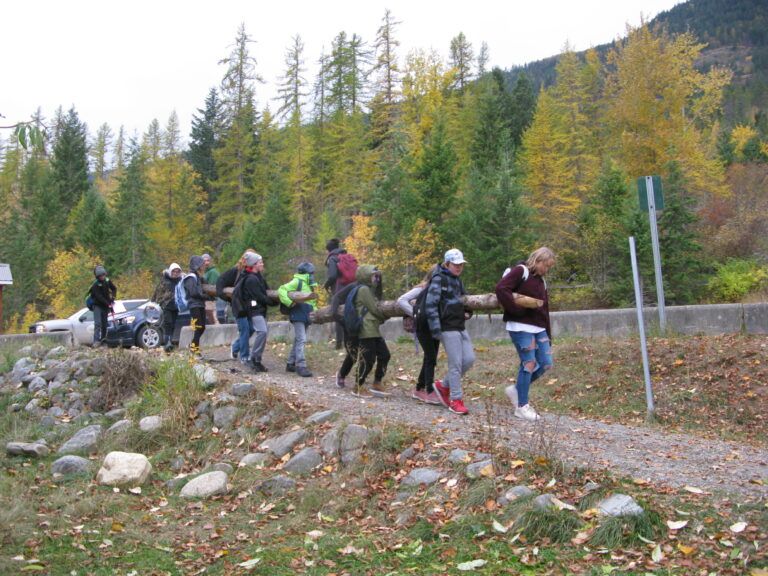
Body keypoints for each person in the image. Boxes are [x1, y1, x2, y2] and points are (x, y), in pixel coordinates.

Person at [495, 247, 556, 421]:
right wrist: (516, 310)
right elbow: (501, 289)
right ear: (538, 260)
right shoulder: (520, 271)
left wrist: (548, 335)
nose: (547, 270)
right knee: (528, 363)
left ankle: (517, 390)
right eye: (546, 265)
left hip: (539, 328)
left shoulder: (542, 282)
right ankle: (522, 407)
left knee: (546, 363)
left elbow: (545, 309)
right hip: (520, 327)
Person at [426, 249, 475, 415]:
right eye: (456, 264)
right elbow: (431, 305)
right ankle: (456, 399)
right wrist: (436, 329)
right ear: (447, 263)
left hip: (460, 326)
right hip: (446, 327)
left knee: (468, 359)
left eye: (461, 264)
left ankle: (442, 385)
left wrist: (468, 311)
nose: (459, 267)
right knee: (455, 364)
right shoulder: (438, 279)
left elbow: (464, 299)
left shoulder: (458, 280)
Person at [397, 265, 442, 405]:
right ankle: (429, 390)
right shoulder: (421, 289)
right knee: (430, 357)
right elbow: (401, 300)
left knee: (431, 357)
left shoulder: (441, 290)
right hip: (423, 327)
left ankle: (418, 388)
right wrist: (417, 314)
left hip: (435, 327)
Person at [351, 264, 391, 398]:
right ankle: (358, 386)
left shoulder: (369, 289)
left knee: (385, 355)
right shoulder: (363, 290)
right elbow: (374, 309)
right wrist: (385, 316)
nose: (376, 278)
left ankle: (377, 382)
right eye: (374, 276)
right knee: (368, 359)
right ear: (366, 276)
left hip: (373, 328)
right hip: (366, 328)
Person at [278, 262, 318, 378]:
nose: (312, 275)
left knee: (298, 339)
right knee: (302, 339)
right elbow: (282, 290)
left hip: (306, 314)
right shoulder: (297, 281)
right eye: (311, 273)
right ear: (305, 273)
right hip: (298, 314)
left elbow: (311, 301)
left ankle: (290, 363)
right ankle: (301, 365)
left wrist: (314, 312)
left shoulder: (310, 284)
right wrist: (289, 302)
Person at [240, 253, 274, 372]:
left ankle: (257, 360)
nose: (262, 264)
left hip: (260, 310)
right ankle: (253, 358)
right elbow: (259, 296)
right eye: (260, 262)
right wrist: (272, 302)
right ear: (254, 264)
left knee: (264, 333)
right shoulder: (251, 279)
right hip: (254, 310)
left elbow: (267, 290)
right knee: (262, 332)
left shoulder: (258, 276)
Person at [221, 249, 256, 358]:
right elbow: (221, 280)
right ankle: (245, 356)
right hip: (238, 306)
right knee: (245, 330)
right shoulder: (236, 271)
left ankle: (235, 347)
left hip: (248, 306)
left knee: (251, 329)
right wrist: (224, 296)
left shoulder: (254, 272)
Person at [330, 280, 359, 389]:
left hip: (365, 324)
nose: (376, 279)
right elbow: (337, 297)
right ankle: (342, 374)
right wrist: (335, 314)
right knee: (353, 352)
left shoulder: (374, 287)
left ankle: (362, 380)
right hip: (350, 323)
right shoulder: (354, 286)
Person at [152, 262, 182, 352]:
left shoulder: (180, 281)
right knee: (168, 323)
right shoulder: (165, 280)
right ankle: (166, 343)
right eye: (174, 271)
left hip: (175, 306)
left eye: (177, 272)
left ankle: (170, 342)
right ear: (170, 271)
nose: (175, 273)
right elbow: (157, 293)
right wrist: (153, 303)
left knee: (173, 324)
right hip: (166, 306)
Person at [324, 238, 347, 349]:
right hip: (351, 288)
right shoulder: (346, 256)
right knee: (349, 312)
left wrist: (327, 284)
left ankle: (339, 343)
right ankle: (351, 341)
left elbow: (332, 276)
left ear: (328, 250)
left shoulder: (332, 258)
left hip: (339, 290)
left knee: (337, 313)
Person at [185, 255, 210, 355]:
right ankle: (194, 349)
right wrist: (205, 297)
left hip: (200, 305)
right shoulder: (190, 277)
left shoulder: (198, 276)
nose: (203, 266)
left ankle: (194, 347)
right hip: (194, 305)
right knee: (198, 327)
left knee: (202, 327)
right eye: (201, 264)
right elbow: (193, 293)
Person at [89, 265, 117, 347]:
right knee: (98, 323)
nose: (102, 277)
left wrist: (113, 298)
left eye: (103, 275)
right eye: (101, 276)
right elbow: (99, 297)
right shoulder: (95, 285)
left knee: (105, 324)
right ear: (97, 276)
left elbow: (114, 289)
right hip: (97, 305)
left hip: (106, 306)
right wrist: (108, 303)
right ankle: (96, 341)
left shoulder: (108, 281)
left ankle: (104, 340)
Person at [201, 253, 219, 325]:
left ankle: (218, 334)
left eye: (208, 260)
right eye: (204, 261)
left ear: (210, 261)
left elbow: (212, 288)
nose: (206, 263)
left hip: (210, 299)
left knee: (213, 319)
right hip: (205, 299)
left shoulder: (213, 272)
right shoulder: (205, 272)